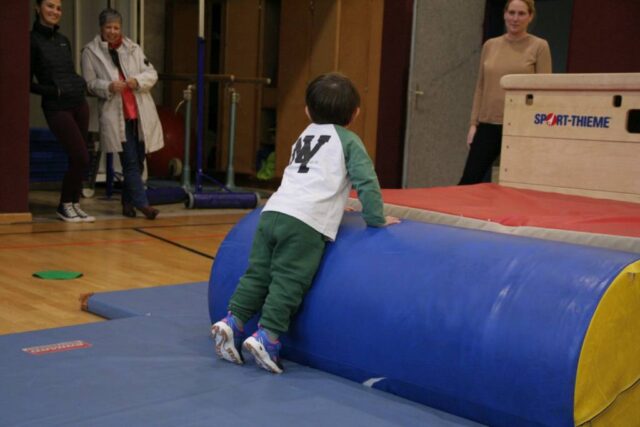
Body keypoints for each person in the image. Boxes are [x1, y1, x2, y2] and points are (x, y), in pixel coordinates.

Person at [211, 73, 400, 373]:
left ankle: (231, 321)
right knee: (289, 280)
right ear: (355, 114)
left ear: (308, 112)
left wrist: (335, 201)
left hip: (272, 211)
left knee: (258, 274)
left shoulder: (305, 135)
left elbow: (311, 177)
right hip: (304, 222)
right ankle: (268, 336)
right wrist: (377, 219)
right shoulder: (349, 140)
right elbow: (366, 182)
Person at [81, 8, 163, 219]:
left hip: (139, 114)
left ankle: (127, 202)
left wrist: (137, 81)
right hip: (116, 115)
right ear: (101, 28)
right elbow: (89, 84)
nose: (113, 31)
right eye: (108, 27)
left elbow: (151, 73)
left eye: (116, 27)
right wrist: (108, 86)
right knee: (130, 162)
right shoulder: (90, 52)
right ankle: (144, 204)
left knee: (139, 159)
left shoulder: (133, 48)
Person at [459, 0, 552, 185]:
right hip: (488, 123)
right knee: (469, 180)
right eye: (511, 13)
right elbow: (480, 86)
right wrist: (473, 124)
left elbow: (545, 91)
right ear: (504, 14)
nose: (515, 18)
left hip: (521, 126)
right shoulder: (490, 45)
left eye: (521, 14)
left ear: (530, 16)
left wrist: (542, 127)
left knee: (517, 184)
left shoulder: (539, 46)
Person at [30, 0, 95, 222]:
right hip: (56, 107)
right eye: (50, 6)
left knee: (78, 158)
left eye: (58, 8)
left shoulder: (63, 41)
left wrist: (79, 84)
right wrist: (54, 91)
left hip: (79, 103)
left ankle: (74, 203)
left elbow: (68, 72)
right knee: (80, 156)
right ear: (37, 8)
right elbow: (27, 83)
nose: (55, 11)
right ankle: (64, 204)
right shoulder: (31, 40)